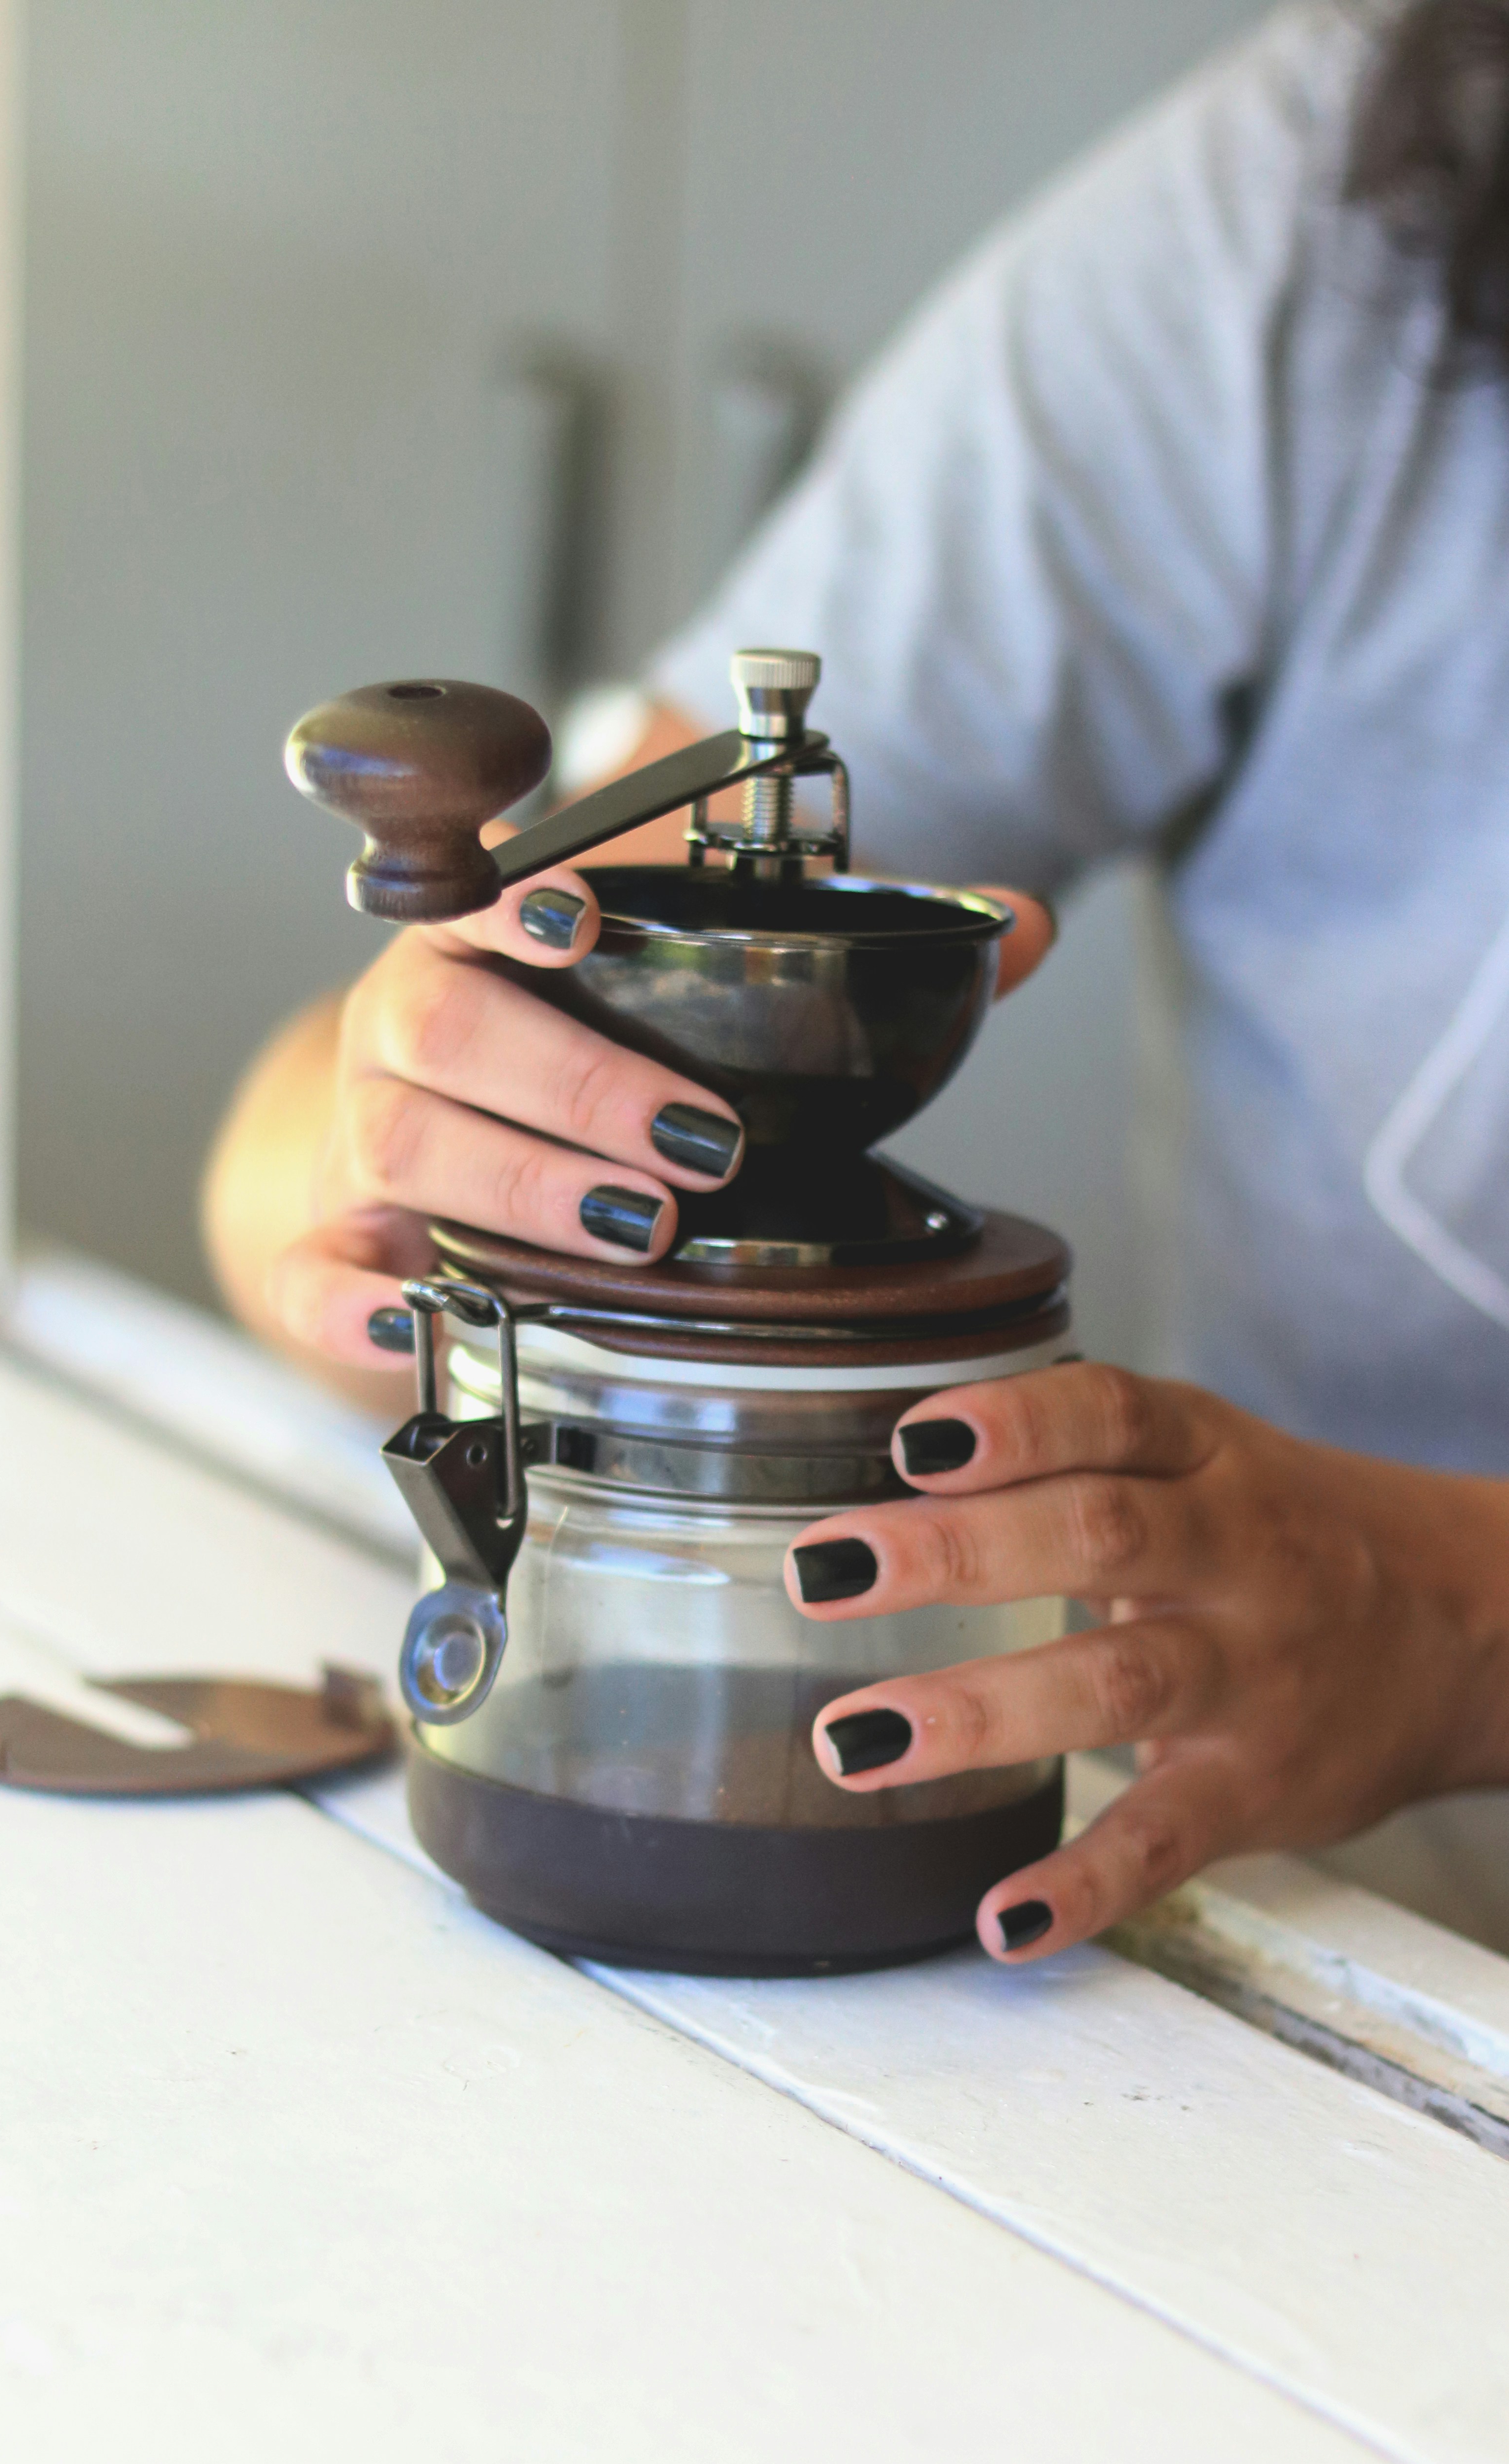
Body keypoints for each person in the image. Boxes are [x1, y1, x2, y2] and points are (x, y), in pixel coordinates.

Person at [205, 0, 1509, 1963]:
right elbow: (291, 1150)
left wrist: (1457, 1619)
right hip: (1348, 1946)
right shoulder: (1345, 204)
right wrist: (398, 1152)